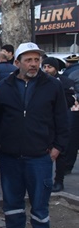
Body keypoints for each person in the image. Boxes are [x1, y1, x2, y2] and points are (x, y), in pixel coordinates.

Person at [0, 43, 69, 228]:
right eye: (28, 60)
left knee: (39, 201)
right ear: (17, 63)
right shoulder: (4, 86)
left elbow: (62, 119)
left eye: (37, 60)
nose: (34, 64)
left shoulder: (52, 85)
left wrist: (58, 147)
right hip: (9, 156)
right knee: (12, 200)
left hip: (40, 157)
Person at [41, 57, 76, 193]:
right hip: (44, 122)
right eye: (44, 66)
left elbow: (70, 100)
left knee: (61, 152)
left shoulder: (65, 82)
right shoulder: (39, 81)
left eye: (49, 67)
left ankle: (59, 181)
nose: (46, 70)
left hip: (60, 121)